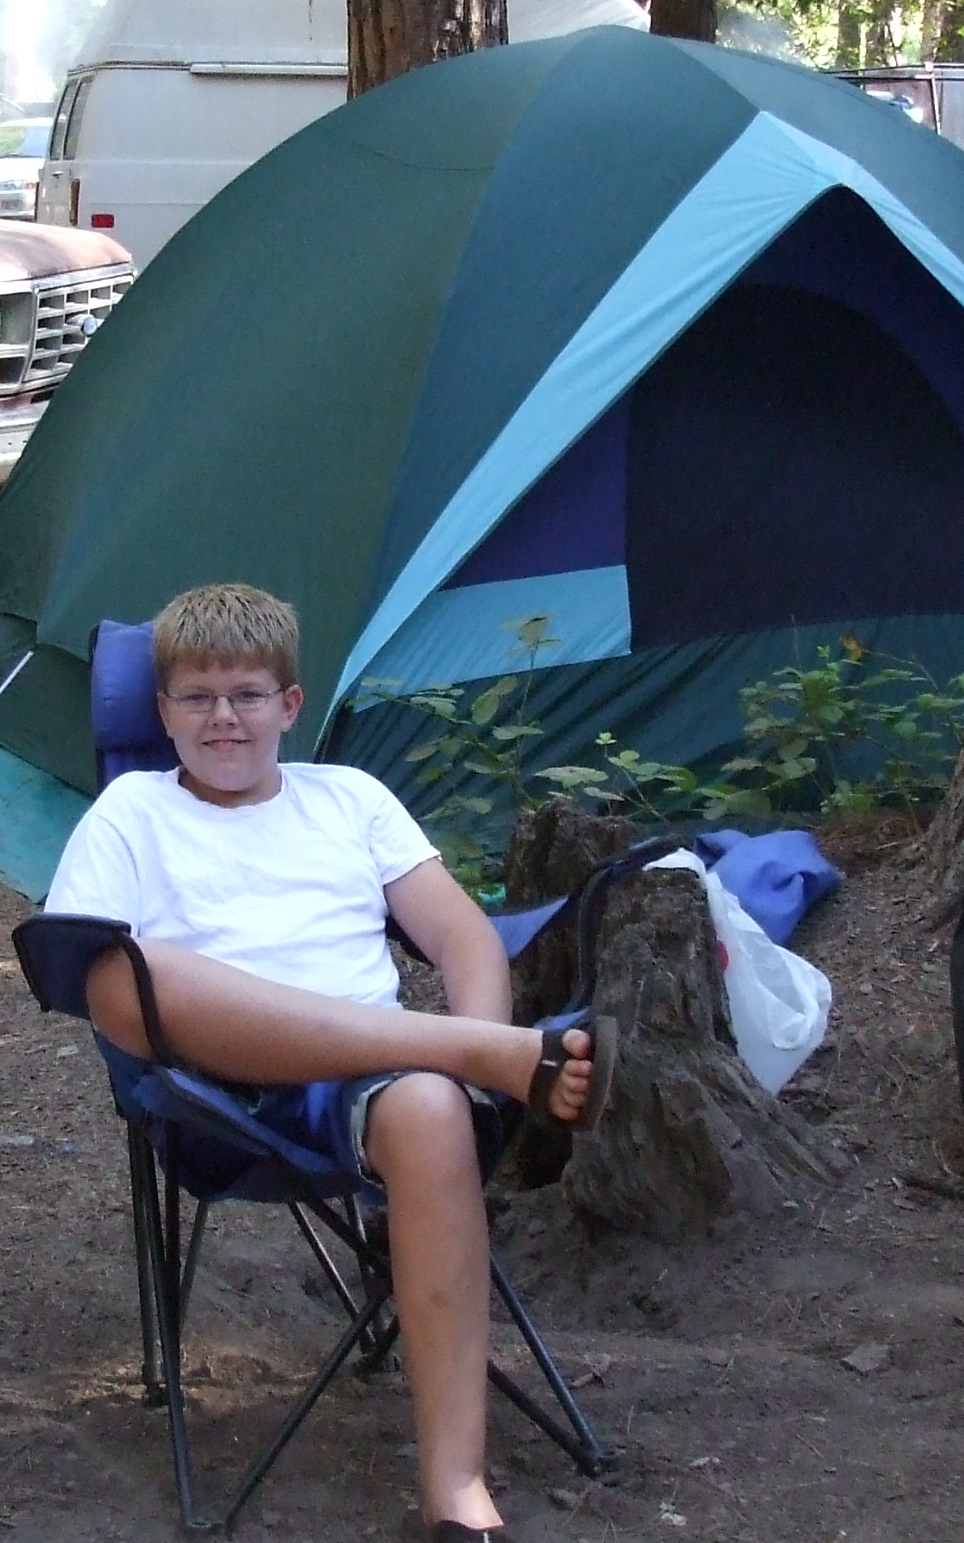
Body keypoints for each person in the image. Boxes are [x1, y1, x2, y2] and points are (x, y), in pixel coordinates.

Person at [46, 582, 608, 1543]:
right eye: (198, 697)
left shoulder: (349, 799)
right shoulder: (130, 812)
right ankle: (479, 1054)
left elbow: (463, 937)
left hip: (367, 1096)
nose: (224, 717)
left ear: (291, 706)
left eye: (249, 694)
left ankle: (456, 1491)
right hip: (217, 1097)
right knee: (131, 970)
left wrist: (466, 1081)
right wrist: (486, 1054)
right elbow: (87, 983)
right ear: (162, 712)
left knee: (431, 1110)